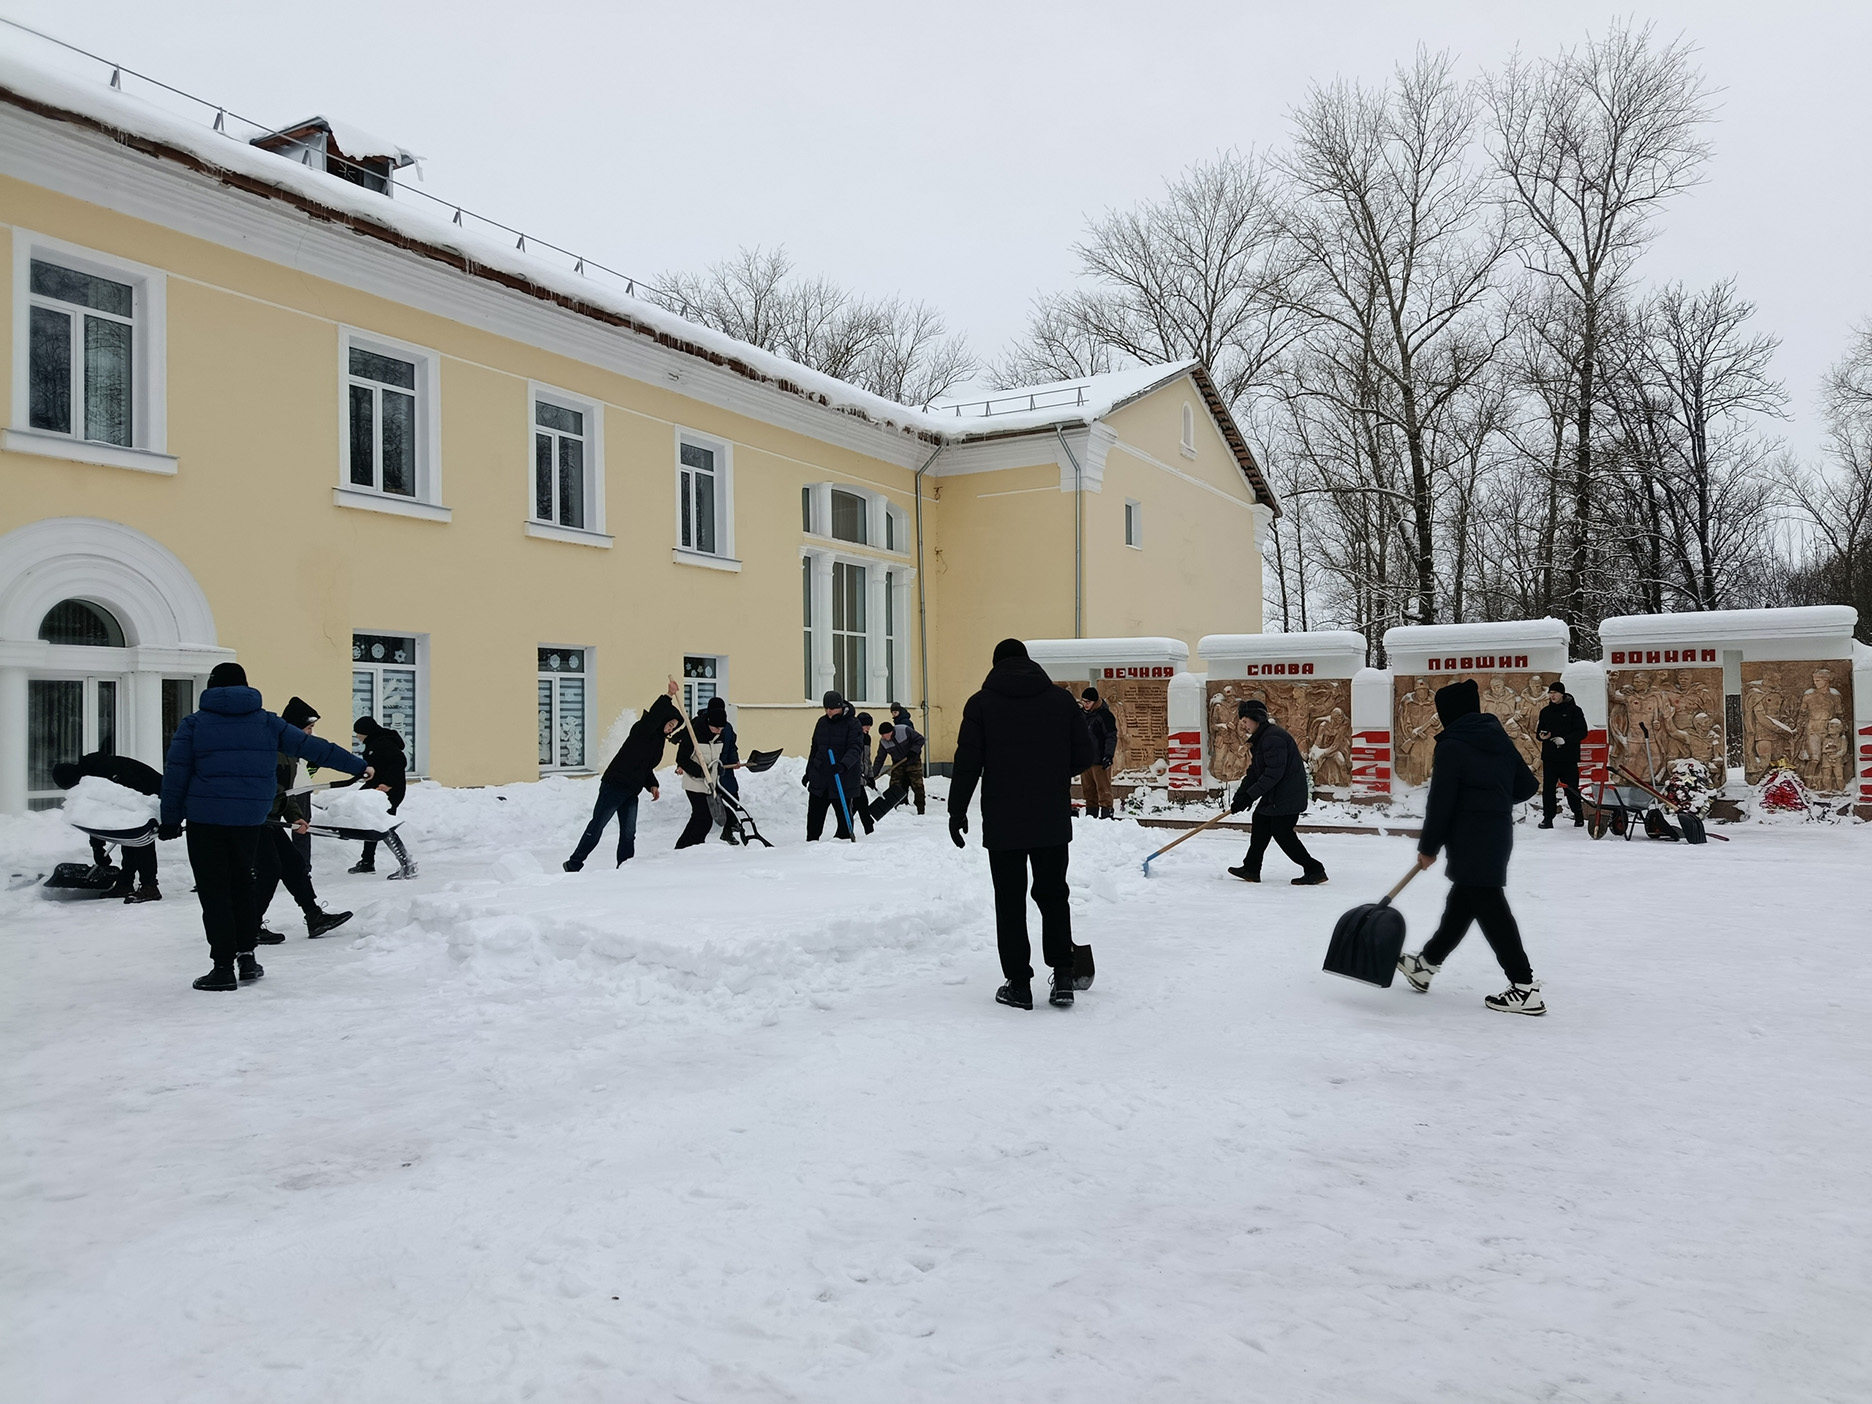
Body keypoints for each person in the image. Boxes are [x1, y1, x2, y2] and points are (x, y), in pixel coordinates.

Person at [158, 661, 368, 991]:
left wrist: (170, 818)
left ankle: (223, 967)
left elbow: (176, 774)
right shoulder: (267, 722)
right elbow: (314, 747)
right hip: (249, 820)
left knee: (215, 891)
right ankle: (248, 959)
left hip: (206, 820)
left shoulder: (194, 724)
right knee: (243, 884)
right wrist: (358, 765)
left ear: (211, 687)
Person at [948, 638, 1096, 1011]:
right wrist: (1051, 773)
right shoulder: (1061, 701)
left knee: (1010, 901)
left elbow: (968, 762)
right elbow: (1085, 754)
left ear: (996, 664)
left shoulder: (981, 704)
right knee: (1053, 895)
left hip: (1003, 819)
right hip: (1050, 816)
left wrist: (957, 810)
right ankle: (1063, 976)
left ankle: (1018, 984)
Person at [1397, 678, 1546, 1016]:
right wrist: (1491, 799)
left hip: (1468, 837)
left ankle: (1523, 986)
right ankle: (1426, 965)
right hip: (1496, 834)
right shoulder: (1497, 738)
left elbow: (1441, 802)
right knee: (1463, 901)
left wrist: (1429, 846)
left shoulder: (1452, 745)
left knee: (1490, 907)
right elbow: (1526, 785)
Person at [252, 696, 352, 941]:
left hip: (272, 819)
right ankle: (249, 925)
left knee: (294, 866)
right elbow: (267, 787)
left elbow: (289, 791)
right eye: (308, 729)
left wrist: (296, 817)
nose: (310, 733)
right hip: (257, 820)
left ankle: (314, 916)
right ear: (294, 729)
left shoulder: (290, 754)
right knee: (269, 870)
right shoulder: (271, 749)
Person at [566, 681, 681, 870]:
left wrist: (652, 784)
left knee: (628, 833)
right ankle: (574, 863)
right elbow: (652, 718)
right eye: (669, 724)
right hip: (614, 786)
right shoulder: (642, 730)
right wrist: (668, 696)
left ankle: (625, 868)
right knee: (597, 827)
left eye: (673, 727)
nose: (670, 729)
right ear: (662, 719)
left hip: (631, 791)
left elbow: (645, 767)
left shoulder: (659, 743)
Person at [1224, 698, 1327, 885]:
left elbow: (1273, 774)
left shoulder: (1272, 738)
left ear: (1256, 719)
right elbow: (1255, 771)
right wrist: (1241, 796)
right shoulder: (1263, 738)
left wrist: (1249, 796)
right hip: (1277, 795)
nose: (1244, 726)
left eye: (1246, 721)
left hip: (1286, 795)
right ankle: (1251, 868)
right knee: (1261, 821)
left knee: (1282, 832)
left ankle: (1314, 869)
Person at [51, 752, 164, 901]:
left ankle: (150, 886)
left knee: (140, 837)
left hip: (153, 793)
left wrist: (164, 818)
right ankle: (125, 882)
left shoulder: (105, 771)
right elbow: (97, 816)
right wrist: (98, 847)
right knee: (129, 836)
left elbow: (136, 792)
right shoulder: (90, 777)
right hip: (137, 798)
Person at [346, 716, 417, 879]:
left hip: (389, 791)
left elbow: (399, 761)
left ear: (366, 732)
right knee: (371, 823)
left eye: (358, 733)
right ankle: (367, 862)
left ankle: (407, 864)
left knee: (384, 826)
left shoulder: (383, 743)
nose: (357, 736)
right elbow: (380, 765)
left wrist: (387, 784)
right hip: (378, 789)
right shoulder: (375, 743)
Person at [804, 691, 865, 842]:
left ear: (840, 707)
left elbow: (856, 748)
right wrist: (809, 772)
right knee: (815, 813)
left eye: (832, 709)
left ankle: (843, 840)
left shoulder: (853, 724)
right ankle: (811, 841)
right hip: (821, 776)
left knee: (843, 813)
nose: (829, 712)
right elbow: (815, 748)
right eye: (826, 709)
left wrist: (843, 765)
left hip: (843, 777)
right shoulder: (822, 722)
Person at [1535, 681, 1590, 829]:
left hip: (1568, 757)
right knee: (1548, 789)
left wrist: (1565, 740)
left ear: (1562, 694)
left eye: (1555, 693)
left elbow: (1582, 732)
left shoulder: (1574, 710)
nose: (1552, 696)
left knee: (1571, 787)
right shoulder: (1545, 711)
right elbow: (1539, 731)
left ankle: (1578, 815)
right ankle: (1548, 818)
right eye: (1550, 693)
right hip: (1550, 756)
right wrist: (1542, 736)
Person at [672, 708, 726, 850]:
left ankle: (681, 848)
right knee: (704, 819)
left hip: (710, 783)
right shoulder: (694, 734)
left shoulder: (720, 736)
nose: (719, 731)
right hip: (694, 783)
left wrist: (719, 768)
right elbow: (681, 758)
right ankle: (694, 848)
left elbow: (717, 757)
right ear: (708, 723)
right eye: (716, 727)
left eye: (722, 728)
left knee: (697, 817)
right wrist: (699, 771)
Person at [872, 707, 927, 819]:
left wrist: (913, 751)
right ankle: (894, 810)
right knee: (894, 785)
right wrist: (873, 775)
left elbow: (920, 739)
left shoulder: (904, 730)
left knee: (918, 786)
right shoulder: (883, 742)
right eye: (881, 735)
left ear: (890, 732)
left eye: (884, 735)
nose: (883, 737)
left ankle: (921, 810)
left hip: (913, 760)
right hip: (898, 763)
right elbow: (879, 759)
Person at [705, 695, 744, 843]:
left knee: (733, 797)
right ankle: (728, 828)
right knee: (717, 800)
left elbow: (732, 745)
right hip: (710, 770)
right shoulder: (703, 724)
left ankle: (730, 826)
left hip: (726, 769)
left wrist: (735, 760)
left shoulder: (727, 727)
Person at [1079, 687, 1118, 818]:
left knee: (1103, 790)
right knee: (1088, 791)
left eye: (1088, 701)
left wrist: (1108, 755)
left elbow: (1111, 736)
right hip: (1085, 760)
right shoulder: (1081, 715)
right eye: (1084, 701)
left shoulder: (1104, 715)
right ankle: (1091, 816)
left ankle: (1107, 815)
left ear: (1095, 702)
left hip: (1100, 760)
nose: (1086, 704)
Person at [852, 712, 879, 835]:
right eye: (866, 726)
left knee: (857, 805)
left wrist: (870, 777)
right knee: (862, 803)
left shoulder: (867, 738)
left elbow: (867, 759)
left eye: (869, 726)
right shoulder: (853, 737)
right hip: (854, 776)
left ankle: (844, 826)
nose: (868, 729)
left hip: (863, 777)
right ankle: (869, 828)